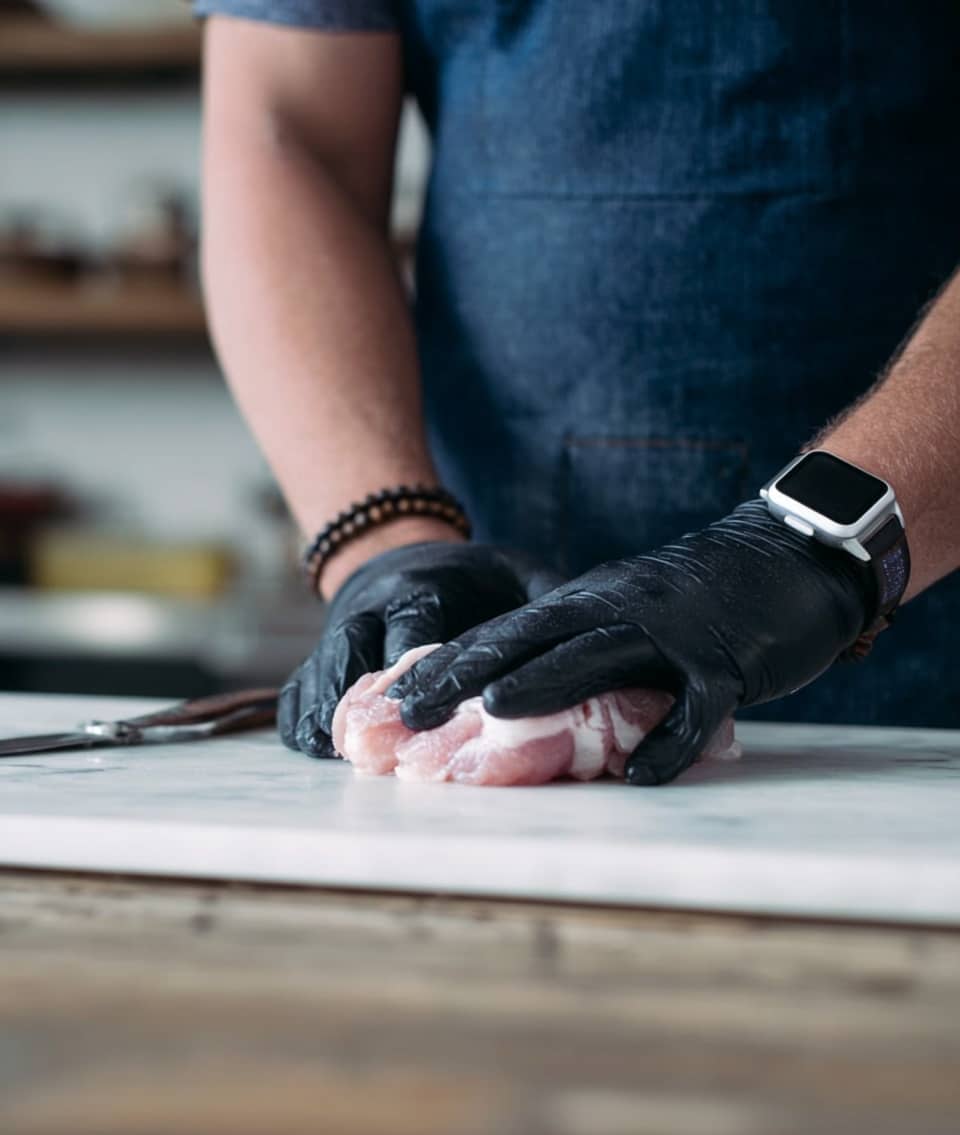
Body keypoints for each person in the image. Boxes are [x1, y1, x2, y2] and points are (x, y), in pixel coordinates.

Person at [196, 1, 960, 784]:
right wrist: (384, 541)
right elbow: (288, 133)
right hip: (496, 619)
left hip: (931, 598)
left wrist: (826, 547)